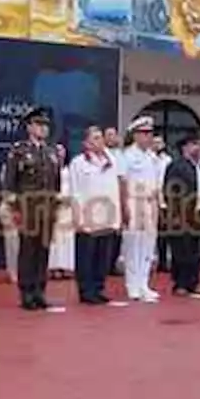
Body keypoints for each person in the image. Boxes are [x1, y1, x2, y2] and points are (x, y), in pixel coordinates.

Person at [3, 106, 62, 311]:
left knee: (43, 250)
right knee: (28, 250)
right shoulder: (19, 150)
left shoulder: (52, 151)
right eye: (38, 125)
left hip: (47, 208)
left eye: (46, 125)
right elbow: (10, 183)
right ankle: (26, 292)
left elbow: (56, 184)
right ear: (29, 127)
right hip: (27, 208)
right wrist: (15, 209)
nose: (43, 129)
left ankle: (39, 290)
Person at [67, 125, 121, 305]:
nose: (100, 141)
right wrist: (77, 217)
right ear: (86, 143)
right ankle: (86, 291)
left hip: (107, 216)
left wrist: (117, 217)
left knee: (102, 257)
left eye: (101, 137)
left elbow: (115, 189)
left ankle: (98, 288)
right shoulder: (79, 163)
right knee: (86, 256)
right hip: (88, 216)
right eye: (96, 138)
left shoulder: (111, 160)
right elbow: (75, 192)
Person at [119, 116, 162, 303]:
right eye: (144, 133)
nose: (148, 137)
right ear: (135, 135)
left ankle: (144, 284)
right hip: (134, 201)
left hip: (150, 202)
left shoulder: (152, 157)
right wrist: (124, 209)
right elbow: (123, 182)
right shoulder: (127, 155)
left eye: (150, 133)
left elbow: (157, 184)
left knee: (148, 245)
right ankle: (132, 285)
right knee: (133, 245)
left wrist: (158, 206)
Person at [162, 133, 200, 298]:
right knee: (182, 250)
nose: (198, 148)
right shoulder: (176, 166)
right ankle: (180, 283)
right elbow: (170, 191)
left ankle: (194, 282)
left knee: (197, 251)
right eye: (193, 144)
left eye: (199, 145)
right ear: (185, 148)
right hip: (182, 214)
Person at [47, 144, 75, 279]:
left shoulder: (70, 170)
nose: (59, 153)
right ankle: (53, 267)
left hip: (67, 208)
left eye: (62, 150)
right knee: (54, 239)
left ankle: (65, 267)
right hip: (53, 207)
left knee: (66, 238)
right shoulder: (50, 169)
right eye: (57, 150)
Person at [103, 126, 125, 276]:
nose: (112, 138)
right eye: (109, 135)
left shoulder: (121, 155)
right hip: (103, 200)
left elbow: (123, 177)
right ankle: (103, 264)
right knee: (104, 234)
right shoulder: (102, 155)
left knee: (117, 235)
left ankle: (112, 263)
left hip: (118, 198)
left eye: (114, 135)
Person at [153, 139, 173, 272]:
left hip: (165, 199)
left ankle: (163, 260)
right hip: (149, 199)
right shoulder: (148, 158)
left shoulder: (168, 160)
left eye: (159, 142)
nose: (157, 145)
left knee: (164, 231)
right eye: (155, 142)